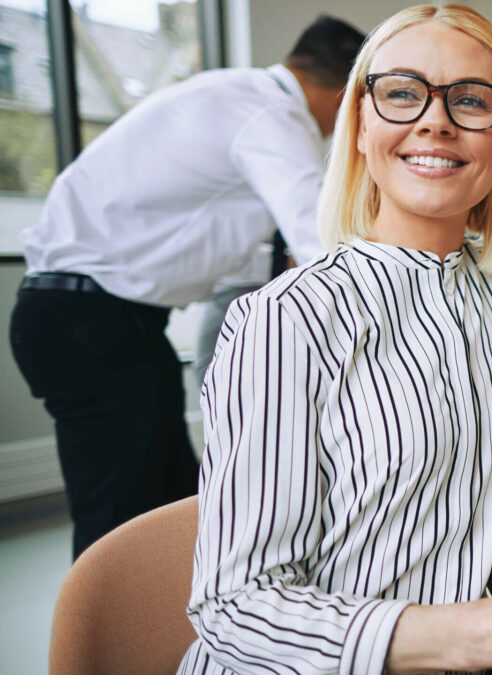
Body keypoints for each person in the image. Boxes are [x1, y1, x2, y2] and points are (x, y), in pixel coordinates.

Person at [179, 6, 492, 674]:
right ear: (361, 123)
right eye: (401, 93)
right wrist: (480, 632)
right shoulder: (284, 319)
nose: (435, 120)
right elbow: (235, 606)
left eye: (472, 101)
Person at [8, 16, 366, 558]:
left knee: (173, 502)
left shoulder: (231, 95)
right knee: (121, 520)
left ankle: (178, 633)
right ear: (346, 91)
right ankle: (109, 638)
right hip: (90, 321)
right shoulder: (272, 112)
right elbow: (320, 239)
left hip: (92, 316)